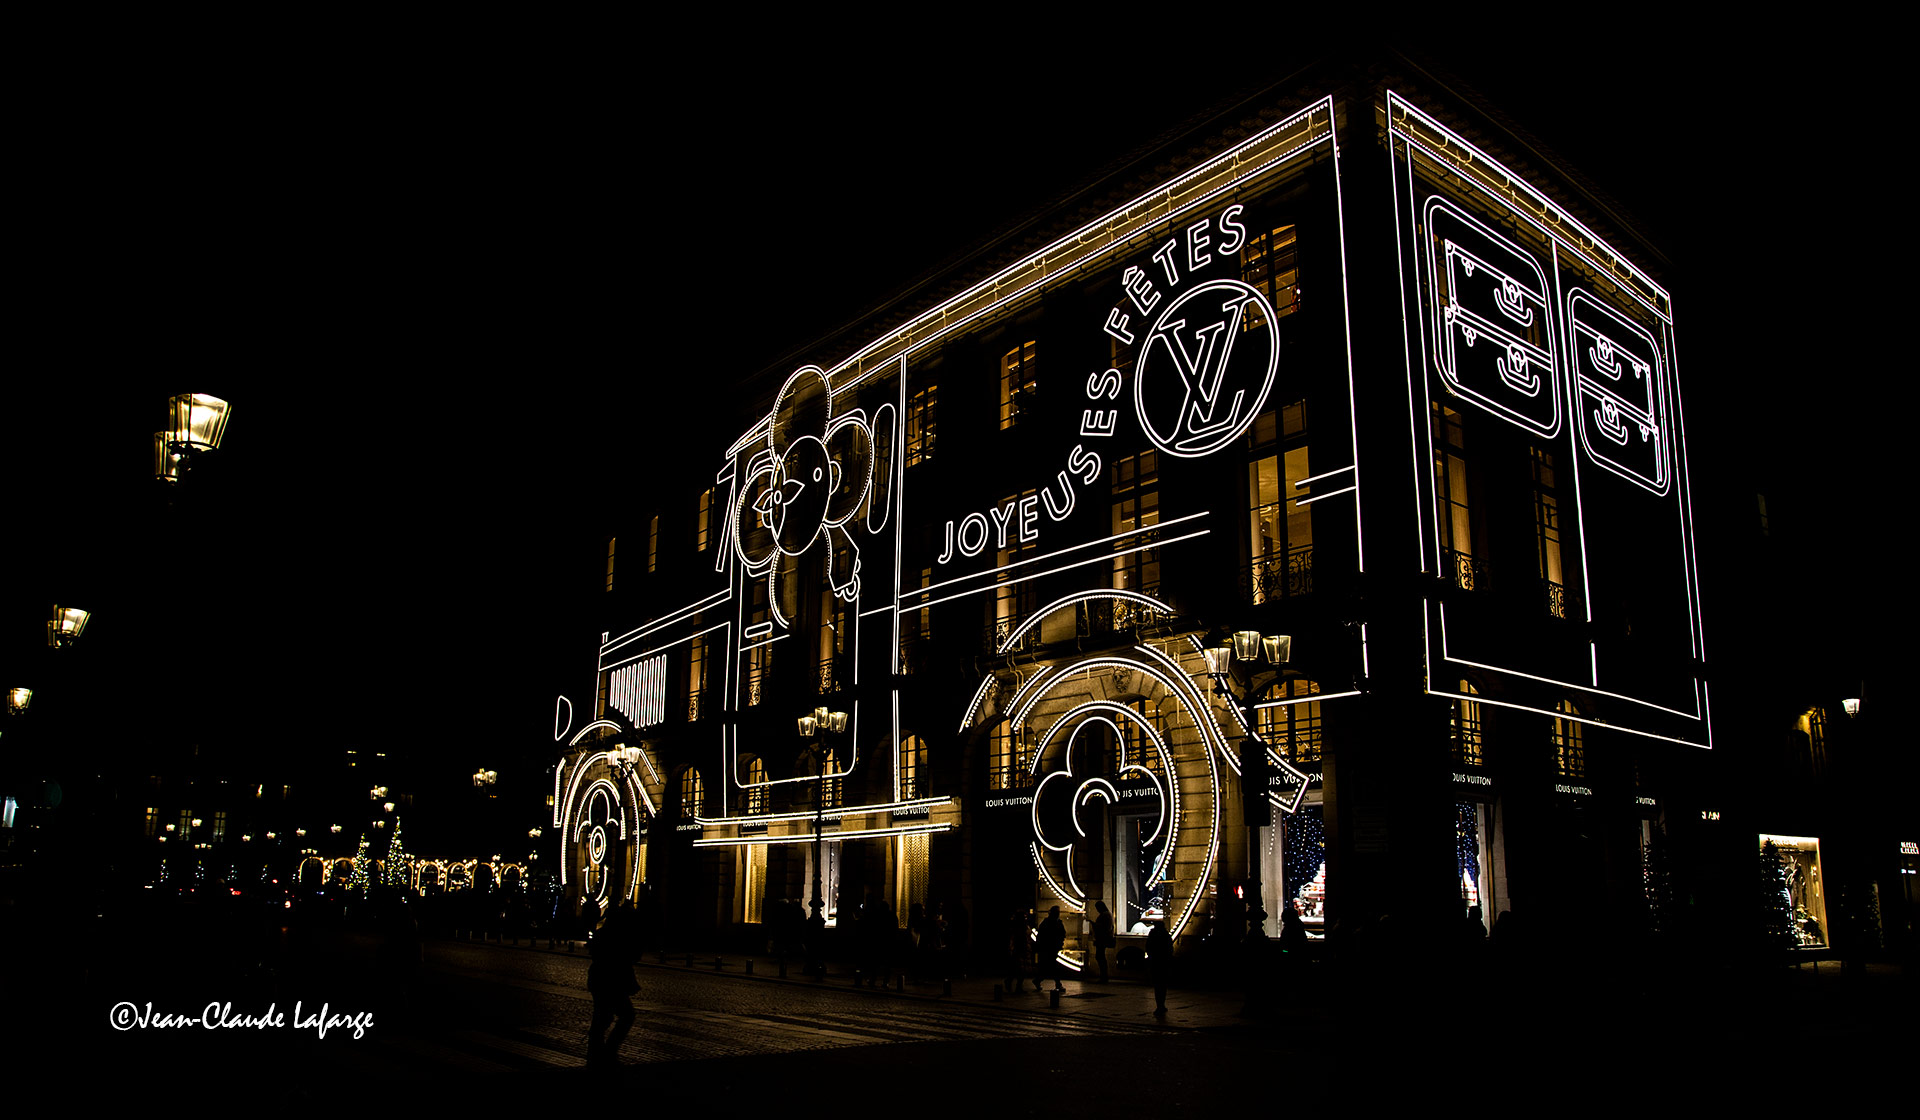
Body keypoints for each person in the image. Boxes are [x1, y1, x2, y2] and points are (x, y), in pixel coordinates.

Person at [586, 900, 640, 1068]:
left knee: (603, 1016)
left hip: (600, 979)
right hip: (611, 982)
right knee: (623, 1015)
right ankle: (605, 1051)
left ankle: (597, 1051)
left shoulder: (603, 934)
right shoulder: (618, 936)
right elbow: (631, 957)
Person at [1036, 906, 1067, 992]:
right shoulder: (1052, 923)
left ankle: (1038, 980)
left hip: (1050, 947)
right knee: (1053, 966)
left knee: (1048, 967)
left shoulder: (1048, 922)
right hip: (1050, 947)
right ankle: (1057, 983)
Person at [1145, 919, 1173, 1015]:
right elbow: (1170, 949)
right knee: (1163, 985)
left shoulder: (1152, 935)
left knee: (1157, 986)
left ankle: (1159, 1005)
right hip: (1164, 963)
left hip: (1155, 962)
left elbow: (1148, 947)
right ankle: (1162, 1005)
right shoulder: (1166, 935)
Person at [1090, 901, 1115, 982]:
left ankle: (1103, 976)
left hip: (1102, 939)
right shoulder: (1108, 914)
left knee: (1100, 957)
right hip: (1104, 938)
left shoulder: (1104, 915)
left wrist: (1093, 924)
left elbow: (1102, 927)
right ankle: (1104, 975)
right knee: (1101, 957)